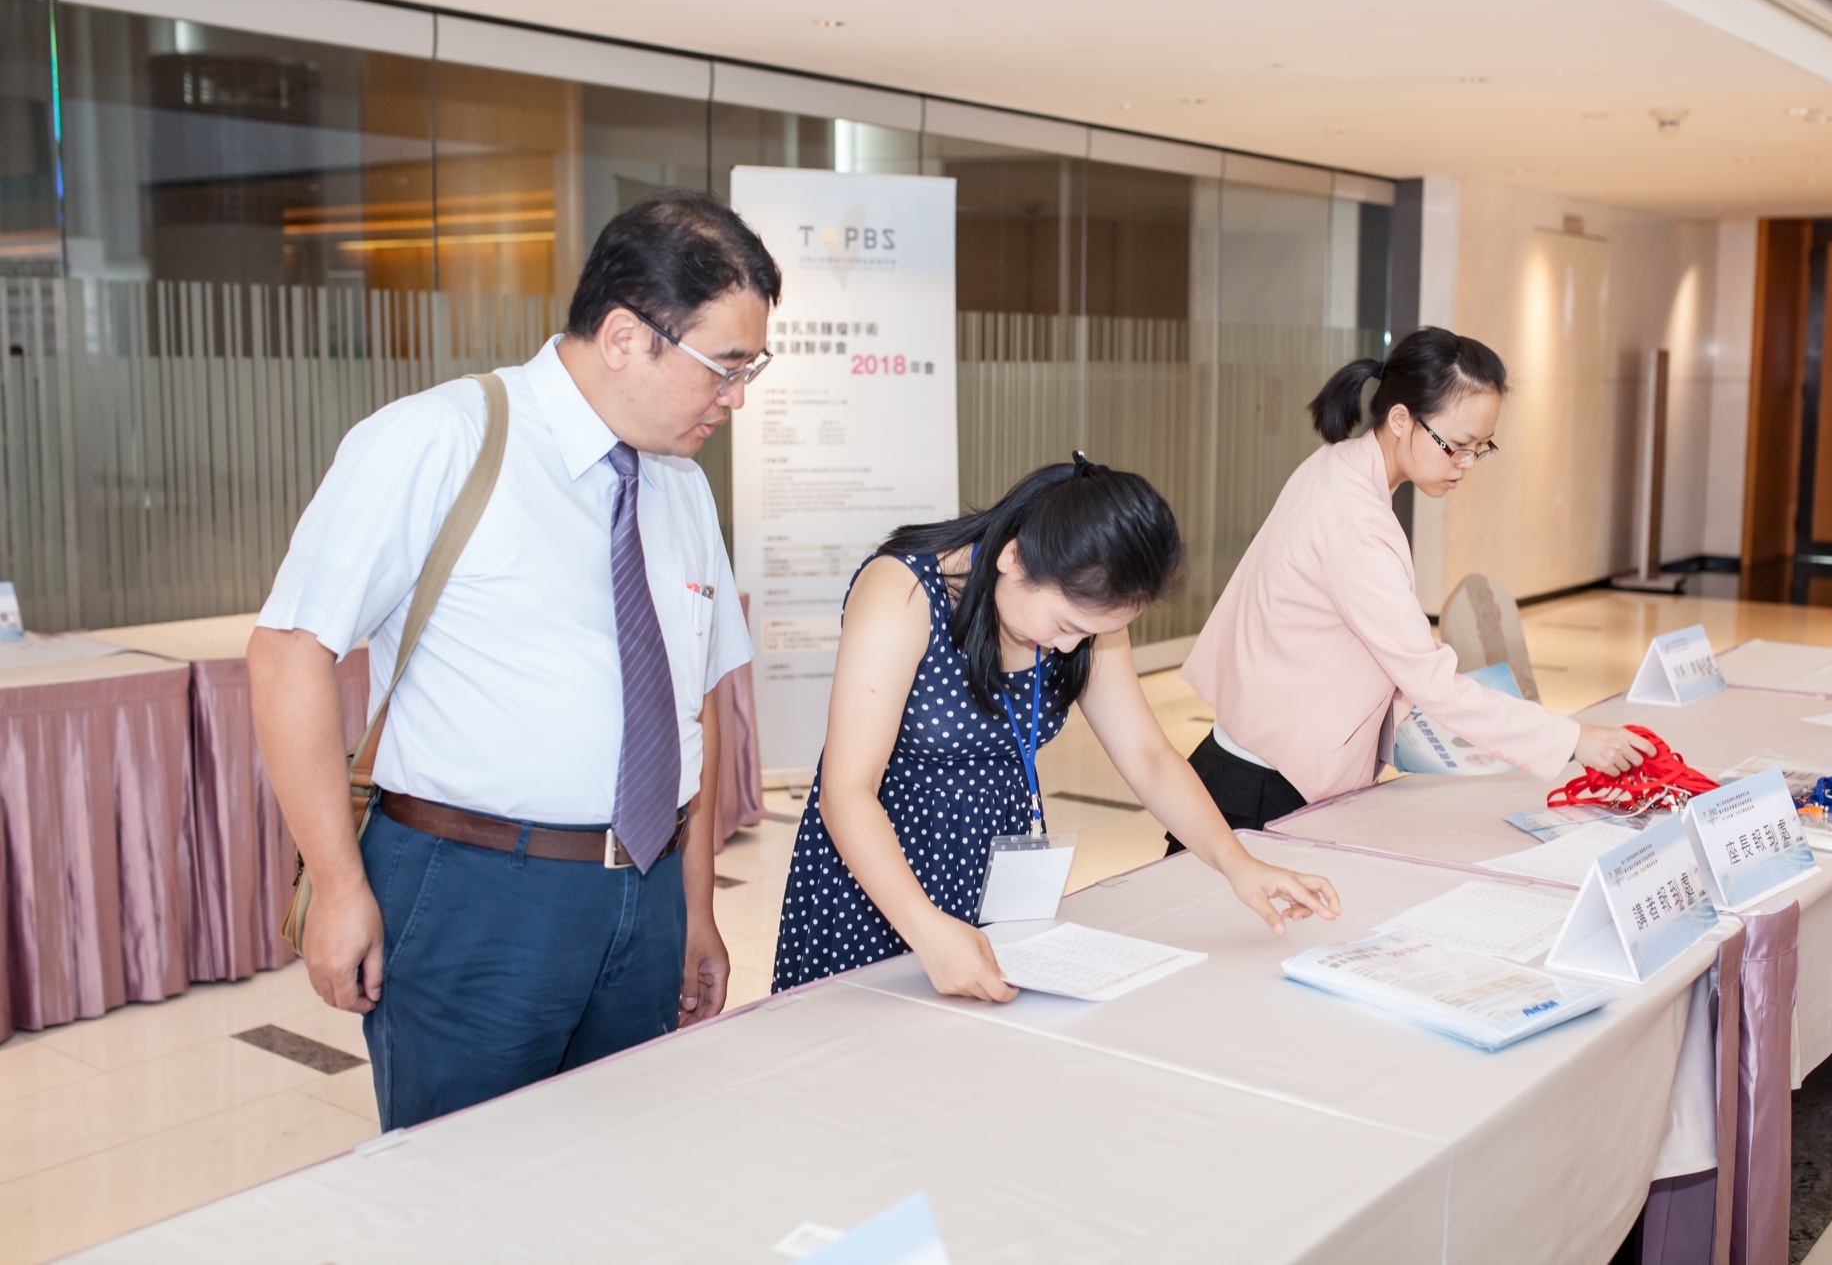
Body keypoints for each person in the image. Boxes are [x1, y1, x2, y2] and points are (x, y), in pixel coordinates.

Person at [249, 190, 776, 1130]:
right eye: (725, 367)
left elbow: (691, 711)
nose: (736, 398)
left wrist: (694, 907)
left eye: (750, 369)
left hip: (648, 892)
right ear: (626, 337)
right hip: (477, 891)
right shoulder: (441, 440)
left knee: (622, 1166)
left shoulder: (682, 489)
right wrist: (336, 884)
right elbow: (289, 653)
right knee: (465, 1182)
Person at [772, 456, 1341, 1000]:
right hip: (879, 880)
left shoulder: (1088, 613)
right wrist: (925, 927)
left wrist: (1237, 862)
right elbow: (848, 791)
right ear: (1013, 559)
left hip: (993, 876)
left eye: (1087, 634)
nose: (1071, 647)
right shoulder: (905, 591)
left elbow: (1147, 757)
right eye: (1066, 624)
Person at [1179, 326, 1654, 831]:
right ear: (1401, 419)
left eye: (1481, 447)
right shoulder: (1357, 523)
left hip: (1249, 761)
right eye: (1457, 446)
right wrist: (1574, 739)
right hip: (1263, 789)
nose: (1466, 464)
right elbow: (1432, 683)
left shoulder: (1337, 464)